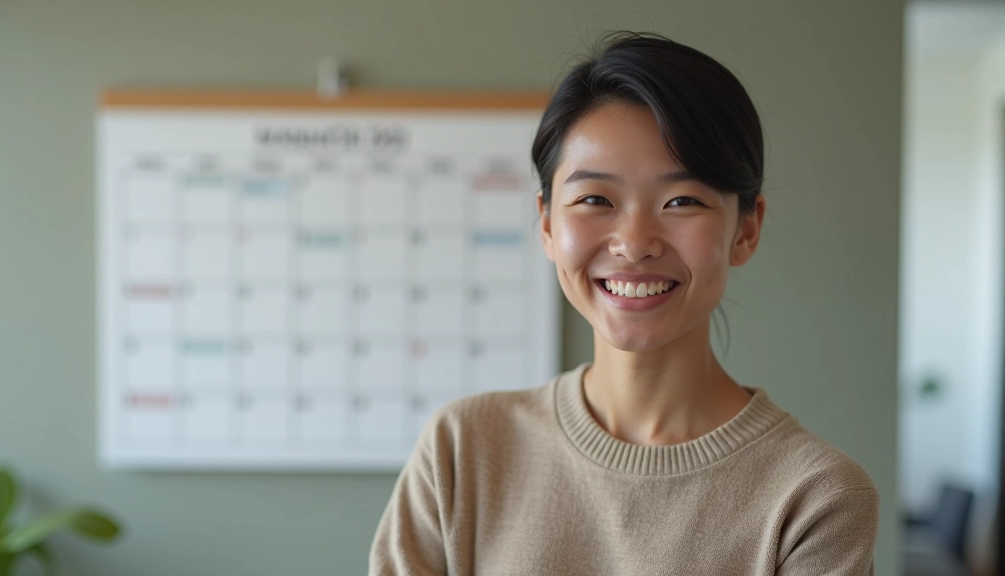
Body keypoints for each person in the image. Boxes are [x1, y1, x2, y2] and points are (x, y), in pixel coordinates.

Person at [369, 32, 879, 575]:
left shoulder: (817, 499)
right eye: (595, 200)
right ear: (546, 222)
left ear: (746, 231)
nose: (634, 243)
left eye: (682, 200)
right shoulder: (462, 450)